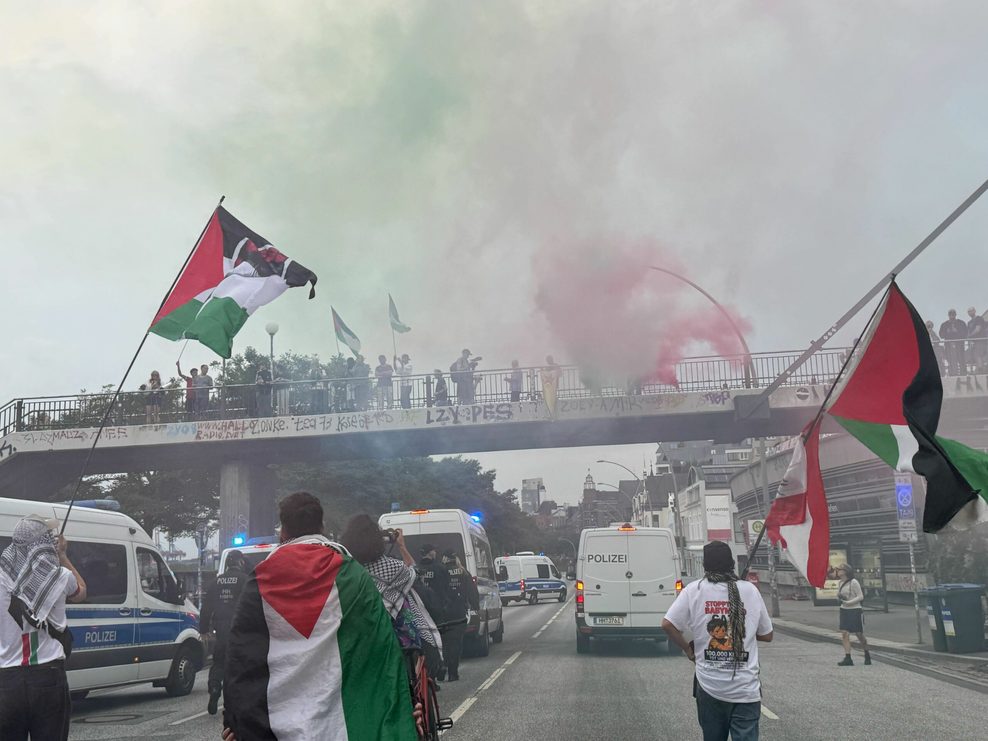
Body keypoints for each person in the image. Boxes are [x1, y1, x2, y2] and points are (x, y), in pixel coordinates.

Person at [223, 494, 417, 740]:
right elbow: (378, 648)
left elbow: (241, 655)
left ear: (283, 531)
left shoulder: (260, 579)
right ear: (322, 526)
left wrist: (234, 719)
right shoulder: (351, 574)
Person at [662, 541, 773, 741]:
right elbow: (767, 634)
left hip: (709, 686)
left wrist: (688, 650)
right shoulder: (749, 591)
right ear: (731, 563)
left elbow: (668, 624)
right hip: (745, 688)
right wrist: (742, 631)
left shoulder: (694, 590)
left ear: (704, 565)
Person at [0, 515, 88, 741]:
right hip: (48, 676)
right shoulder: (60, 576)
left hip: (6, 681)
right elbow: (81, 592)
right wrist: (62, 555)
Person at [339, 515, 443, 676]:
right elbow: (413, 573)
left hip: (358, 639)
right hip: (397, 641)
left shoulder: (345, 569)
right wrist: (401, 545)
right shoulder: (392, 567)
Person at [200, 550, 248, 715]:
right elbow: (251, 605)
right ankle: (231, 701)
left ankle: (214, 687)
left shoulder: (216, 581)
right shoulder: (244, 580)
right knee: (236, 665)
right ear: (240, 562)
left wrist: (203, 630)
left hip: (219, 628)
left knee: (219, 662)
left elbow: (206, 607)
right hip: (238, 629)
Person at [416, 544, 454, 679]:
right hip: (437, 611)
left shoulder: (415, 569)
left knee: (423, 641)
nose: (436, 553)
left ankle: (426, 672)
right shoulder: (440, 569)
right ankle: (440, 665)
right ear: (430, 553)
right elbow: (447, 590)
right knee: (440, 639)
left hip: (418, 610)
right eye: (434, 551)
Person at [440, 549, 478, 681]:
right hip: (458, 613)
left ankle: (442, 666)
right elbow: (472, 591)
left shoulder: (440, 571)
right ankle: (453, 673)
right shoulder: (463, 572)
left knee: (444, 642)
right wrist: (475, 606)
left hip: (442, 613)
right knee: (455, 643)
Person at [836, 564, 871, 666]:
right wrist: (840, 598)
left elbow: (860, 596)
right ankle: (848, 658)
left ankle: (867, 653)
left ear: (846, 571)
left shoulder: (854, 582)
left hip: (855, 610)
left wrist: (849, 602)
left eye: (840, 569)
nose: (838, 571)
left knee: (859, 634)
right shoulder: (840, 583)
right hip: (844, 610)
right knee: (844, 633)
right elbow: (842, 595)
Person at [940, 309, 967, 376]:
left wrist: (957, 331)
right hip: (949, 345)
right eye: (950, 314)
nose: (952, 316)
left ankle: (963, 373)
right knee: (951, 359)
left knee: (961, 358)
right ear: (948, 315)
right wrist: (947, 332)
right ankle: (952, 373)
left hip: (959, 344)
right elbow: (941, 335)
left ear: (955, 314)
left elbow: (965, 333)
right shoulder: (944, 324)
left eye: (953, 314)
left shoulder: (961, 323)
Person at [966, 306, 987, 374]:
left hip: (980, 340)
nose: (970, 312)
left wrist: (970, 336)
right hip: (973, 342)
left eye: (971, 311)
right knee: (975, 355)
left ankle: (981, 370)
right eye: (968, 311)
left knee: (979, 355)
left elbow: (978, 329)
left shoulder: (979, 318)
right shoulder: (969, 322)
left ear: (975, 311)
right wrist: (969, 338)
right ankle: (979, 369)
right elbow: (968, 331)